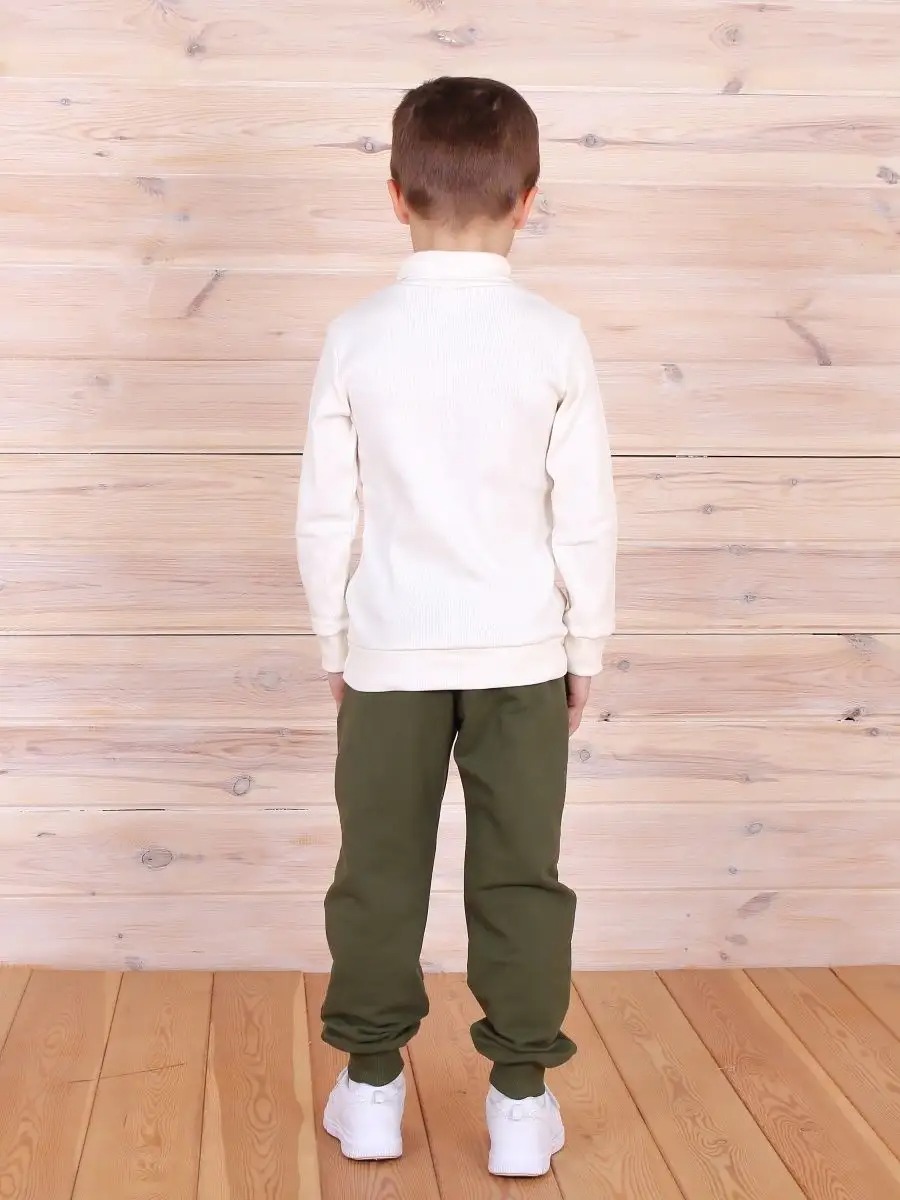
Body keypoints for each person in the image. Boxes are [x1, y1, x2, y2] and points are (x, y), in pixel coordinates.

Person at [296, 75, 617, 1179]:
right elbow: (584, 515)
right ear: (529, 198)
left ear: (395, 194)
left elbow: (326, 512)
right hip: (522, 654)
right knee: (522, 874)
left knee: (377, 872)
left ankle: (371, 1090)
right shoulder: (554, 338)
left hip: (389, 650)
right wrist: (585, 647)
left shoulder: (356, 336)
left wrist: (335, 642)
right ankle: (520, 1101)